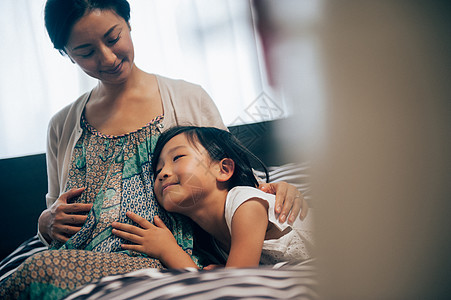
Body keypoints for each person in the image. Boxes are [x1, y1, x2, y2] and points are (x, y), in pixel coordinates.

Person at [0, 0, 307, 298]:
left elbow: (229, 175)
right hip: (75, 255)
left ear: (128, 23)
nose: (107, 58)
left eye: (113, 38)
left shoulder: (189, 99)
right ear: (67, 54)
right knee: (35, 267)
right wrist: (45, 223)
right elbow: (55, 211)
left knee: (40, 268)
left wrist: (278, 189)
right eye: (86, 52)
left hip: (163, 259)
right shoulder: (61, 125)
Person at [112, 126, 314, 268]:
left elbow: (237, 286)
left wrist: (169, 251)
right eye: (157, 170)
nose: (163, 173)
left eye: (177, 158)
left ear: (224, 169)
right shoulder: (211, 241)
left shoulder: (246, 204)